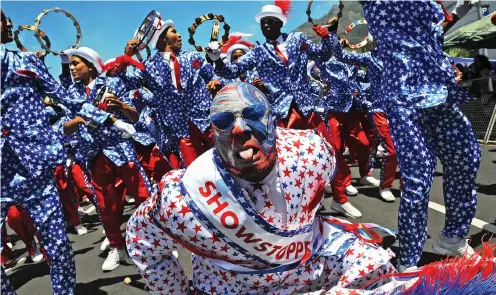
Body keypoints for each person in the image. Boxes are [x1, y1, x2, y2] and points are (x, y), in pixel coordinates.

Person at [125, 82, 401, 294]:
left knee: (377, 266)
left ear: (273, 120)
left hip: (308, 268)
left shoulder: (312, 153)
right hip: (232, 287)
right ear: (212, 134)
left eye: (253, 114)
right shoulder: (182, 198)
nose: (238, 129)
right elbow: (140, 238)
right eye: (223, 122)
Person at [208, 3, 362, 218]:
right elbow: (232, 70)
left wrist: (327, 37)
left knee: (329, 151)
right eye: (262, 23)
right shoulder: (259, 51)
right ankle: (301, 206)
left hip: (306, 106)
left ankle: (340, 198)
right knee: (289, 162)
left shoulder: (298, 39)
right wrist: (217, 58)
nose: (265, 26)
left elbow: (323, 55)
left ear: (280, 23)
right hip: (281, 112)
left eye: (269, 21)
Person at [360, 0, 481, 271]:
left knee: (467, 157)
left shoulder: (430, 6)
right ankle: (409, 260)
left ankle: (453, 237)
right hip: (404, 96)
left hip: (439, 93)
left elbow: (438, 31)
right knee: (418, 175)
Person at [1, 9, 112, 294]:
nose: (9, 23)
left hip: (35, 168)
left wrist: (107, 118)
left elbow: (67, 97)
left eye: (8, 18)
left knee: (59, 244)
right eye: (3, 18)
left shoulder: (24, 61)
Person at [60, 46, 151, 271]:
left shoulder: (113, 84)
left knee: (143, 195)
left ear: (90, 65)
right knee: (105, 205)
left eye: (76, 64)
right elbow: (64, 128)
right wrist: (77, 122)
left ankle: (157, 240)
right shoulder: (71, 94)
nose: (72, 69)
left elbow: (135, 116)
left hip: (120, 149)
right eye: (70, 65)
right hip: (94, 155)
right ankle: (117, 247)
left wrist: (122, 107)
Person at [120, 18, 216, 167]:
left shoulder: (192, 56)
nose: (180, 35)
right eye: (174, 31)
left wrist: (214, 82)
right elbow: (123, 84)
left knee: (227, 163)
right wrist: (126, 58)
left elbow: (212, 75)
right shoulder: (148, 66)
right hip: (181, 133)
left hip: (208, 123)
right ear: (162, 38)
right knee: (197, 174)